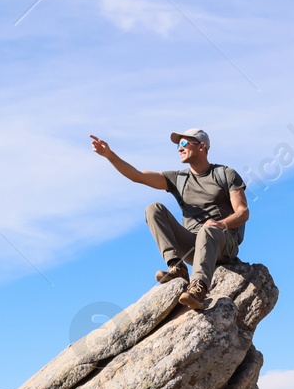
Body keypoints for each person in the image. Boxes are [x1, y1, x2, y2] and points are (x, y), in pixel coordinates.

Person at [89, 128, 249, 311]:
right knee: (153, 209)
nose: (179, 149)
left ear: (202, 146)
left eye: (183, 143)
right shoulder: (178, 178)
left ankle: (198, 289)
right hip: (193, 246)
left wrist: (220, 224)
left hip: (222, 243)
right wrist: (110, 155)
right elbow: (138, 176)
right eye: (178, 145)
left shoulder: (225, 174)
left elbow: (242, 212)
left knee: (208, 229)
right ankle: (177, 267)